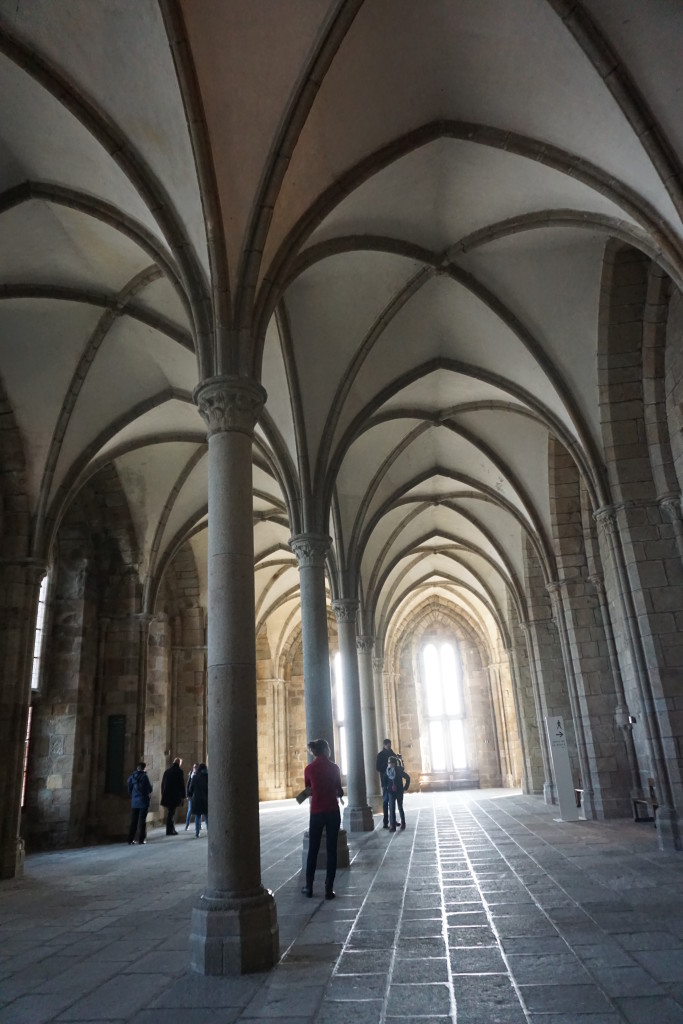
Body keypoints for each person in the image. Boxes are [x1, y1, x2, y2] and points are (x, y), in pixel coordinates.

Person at [302, 738, 344, 900]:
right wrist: (336, 792)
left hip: (317, 813)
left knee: (313, 849)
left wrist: (299, 798)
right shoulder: (334, 768)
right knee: (331, 850)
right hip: (333, 811)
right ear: (326, 750)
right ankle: (328, 889)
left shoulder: (309, 769)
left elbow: (308, 790)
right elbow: (339, 790)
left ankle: (309, 887)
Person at [127, 761, 152, 845]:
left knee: (134, 820)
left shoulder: (131, 777)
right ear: (144, 768)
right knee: (142, 821)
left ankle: (130, 839)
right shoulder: (144, 777)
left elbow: (129, 789)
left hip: (134, 801)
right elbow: (149, 788)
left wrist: (134, 795)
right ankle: (141, 839)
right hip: (143, 801)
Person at [384, 755, 410, 832]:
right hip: (391, 792)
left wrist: (405, 787)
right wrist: (387, 787)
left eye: (390, 763)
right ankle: (392, 825)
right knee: (392, 809)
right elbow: (384, 781)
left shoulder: (399, 770)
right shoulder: (387, 771)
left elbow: (407, 778)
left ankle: (403, 822)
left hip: (399, 791)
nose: (389, 764)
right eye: (388, 762)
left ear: (394, 763)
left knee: (400, 807)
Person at [375, 738, 397, 829]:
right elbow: (378, 767)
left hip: (392, 782)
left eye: (390, 746)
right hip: (385, 781)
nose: (389, 747)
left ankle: (393, 820)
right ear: (384, 745)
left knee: (392, 802)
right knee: (385, 801)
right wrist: (387, 765)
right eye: (388, 746)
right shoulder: (380, 755)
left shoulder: (392, 754)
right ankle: (385, 822)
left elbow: (396, 763)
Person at [160, 756, 185, 836]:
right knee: (171, 813)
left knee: (170, 813)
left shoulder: (167, 771)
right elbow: (181, 784)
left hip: (167, 795)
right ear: (179, 763)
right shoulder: (179, 771)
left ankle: (171, 829)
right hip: (174, 796)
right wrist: (183, 795)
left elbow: (163, 784)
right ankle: (170, 830)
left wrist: (163, 794)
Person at [187, 762, 208, 837]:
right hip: (205, 799)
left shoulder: (195, 777)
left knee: (197, 816)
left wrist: (191, 794)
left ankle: (197, 832)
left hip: (196, 799)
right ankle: (209, 831)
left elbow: (190, 789)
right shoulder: (207, 777)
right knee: (206, 816)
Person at [184, 763, 198, 830]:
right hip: (191, 795)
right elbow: (187, 786)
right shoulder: (191, 775)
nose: (195, 768)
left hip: (197, 795)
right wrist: (187, 795)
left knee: (198, 811)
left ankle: (198, 825)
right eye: (194, 767)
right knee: (190, 810)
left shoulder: (198, 775)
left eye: (196, 767)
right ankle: (187, 825)